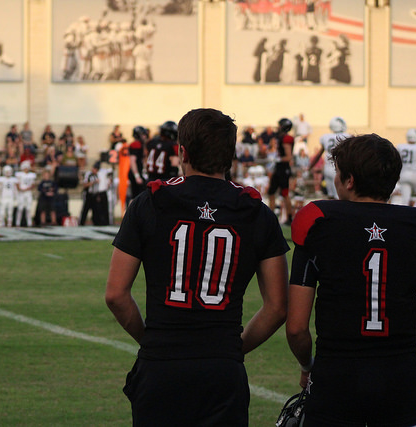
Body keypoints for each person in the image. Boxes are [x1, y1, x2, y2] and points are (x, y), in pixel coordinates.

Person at [105, 108, 289, 426]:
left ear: (182, 152)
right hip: (222, 368)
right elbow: (276, 307)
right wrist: (231, 348)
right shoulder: (256, 211)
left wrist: (152, 340)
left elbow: (116, 295)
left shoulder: (150, 202)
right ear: (231, 155)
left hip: (162, 364)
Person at [286, 133, 416, 426]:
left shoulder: (319, 223)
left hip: (335, 376)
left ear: (349, 181)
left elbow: (297, 327)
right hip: (400, 377)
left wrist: (308, 365)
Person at [309, 116, 350, 199]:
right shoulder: (347, 136)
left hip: (328, 169)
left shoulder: (325, 137)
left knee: (330, 196)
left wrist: (310, 167)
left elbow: (319, 155)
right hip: (339, 169)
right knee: (340, 197)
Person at [267, 117, 295, 225]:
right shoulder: (281, 137)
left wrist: (277, 159)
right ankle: (271, 217)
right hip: (280, 168)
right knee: (271, 192)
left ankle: (289, 217)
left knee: (284, 193)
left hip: (283, 169)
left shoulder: (286, 139)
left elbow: (288, 156)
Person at [395, 128, 416, 208]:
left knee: (405, 199)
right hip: (414, 174)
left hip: (403, 174)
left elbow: (397, 161)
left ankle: (404, 216)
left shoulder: (401, 147)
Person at [15, 160, 36, 227]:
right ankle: (17, 223)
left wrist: (26, 189)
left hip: (28, 192)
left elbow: (33, 185)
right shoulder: (19, 174)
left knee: (28, 209)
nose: (26, 169)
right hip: (21, 193)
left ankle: (29, 223)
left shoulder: (31, 175)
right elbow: (17, 184)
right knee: (20, 208)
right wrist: (21, 189)